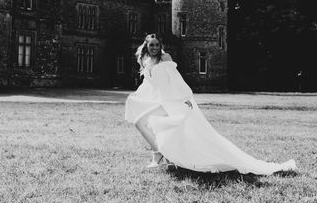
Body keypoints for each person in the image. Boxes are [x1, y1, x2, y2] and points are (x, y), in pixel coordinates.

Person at [124, 34, 297, 174]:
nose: (154, 47)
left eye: (156, 44)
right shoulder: (147, 62)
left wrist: (186, 98)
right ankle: (164, 156)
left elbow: (176, 80)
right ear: (146, 47)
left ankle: (160, 155)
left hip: (173, 101)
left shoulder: (165, 58)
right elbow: (150, 85)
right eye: (151, 45)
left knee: (143, 123)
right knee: (148, 125)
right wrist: (137, 97)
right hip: (162, 101)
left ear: (160, 46)